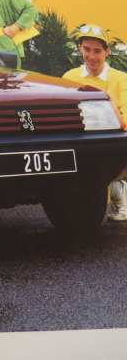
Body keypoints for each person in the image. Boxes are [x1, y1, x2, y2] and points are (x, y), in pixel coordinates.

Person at [63, 24, 127, 221]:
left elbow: (125, 118)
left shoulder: (121, 79)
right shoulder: (69, 77)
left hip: (110, 140)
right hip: (79, 140)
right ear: (80, 48)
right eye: (87, 49)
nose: (91, 56)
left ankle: (118, 188)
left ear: (107, 52)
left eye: (97, 51)